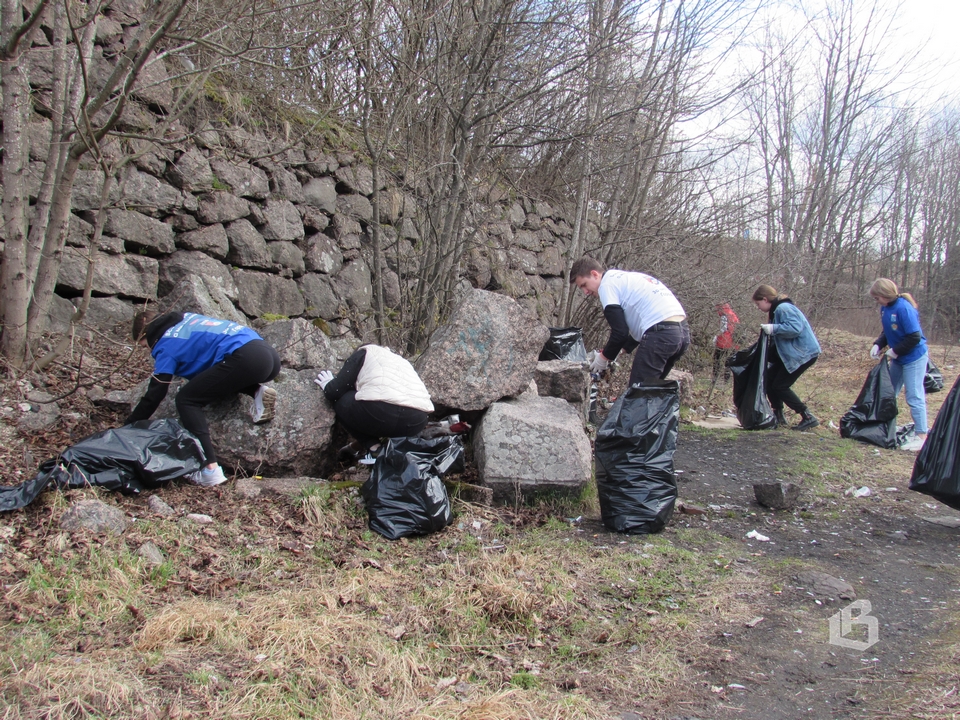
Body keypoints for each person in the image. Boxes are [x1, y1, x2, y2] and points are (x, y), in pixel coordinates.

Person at [126, 311, 281, 486]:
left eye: (144, 346)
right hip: (268, 357)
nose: (147, 352)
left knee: (186, 399)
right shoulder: (187, 319)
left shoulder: (165, 344)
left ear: (148, 336)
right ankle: (256, 392)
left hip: (245, 359)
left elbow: (156, 393)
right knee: (214, 378)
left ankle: (210, 469)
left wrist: (129, 426)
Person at [569, 256, 690, 387]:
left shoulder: (606, 286)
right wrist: (621, 350)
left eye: (584, 285)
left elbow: (620, 333)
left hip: (661, 334)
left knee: (637, 394)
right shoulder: (624, 279)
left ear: (594, 274)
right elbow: (642, 325)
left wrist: (603, 358)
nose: (585, 292)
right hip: (680, 334)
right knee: (651, 392)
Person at [315, 344, 434, 461]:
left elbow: (335, 391)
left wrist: (328, 384)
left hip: (379, 412)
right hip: (417, 420)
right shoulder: (402, 361)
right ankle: (398, 453)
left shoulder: (365, 352)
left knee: (341, 399)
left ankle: (374, 447)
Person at [868, 278, 928, 452]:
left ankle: (921, 435)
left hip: (914, 358)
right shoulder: (885, 309)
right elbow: (888, 330)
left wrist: (896, 351)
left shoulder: (904, 308)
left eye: (877, 298)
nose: (876, 301)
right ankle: (884, 427)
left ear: (884, 295)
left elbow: (914, 336)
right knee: (889, 392)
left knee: (914, 395)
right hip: (899, 358)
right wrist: (878, 344)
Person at [751, 285, 821, 430]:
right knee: (769, 380)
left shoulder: (783, 308)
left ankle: (807, 416)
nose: (758, 307)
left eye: (758, 304)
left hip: (803, 353)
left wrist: (774, 328)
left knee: (780, 385)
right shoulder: (777, 310)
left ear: (765, 299)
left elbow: (795, 328)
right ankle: (779, 415)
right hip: (795, 353)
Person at [713, 302, 740, 381]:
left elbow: (722, 329)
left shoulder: (724, 316)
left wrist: (715, 337)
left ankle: (715, 378)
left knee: (717, 360)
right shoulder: (733, 315)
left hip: (723, 342)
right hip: (733, 343)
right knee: (729, 362)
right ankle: (726, 380)